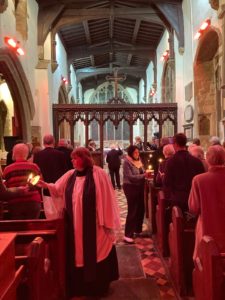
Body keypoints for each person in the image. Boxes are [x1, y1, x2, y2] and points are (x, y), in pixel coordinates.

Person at [37, 147, 120, 298]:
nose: (72, 161)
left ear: (84, 159)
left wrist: (106, 221)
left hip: (94, 226)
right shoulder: (70, 175)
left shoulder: (99, 174)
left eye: (75, 158)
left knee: (95, 252)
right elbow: (57, 189)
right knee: (78, 255)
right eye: (72, 159)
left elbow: (108, 197)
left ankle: (97, 287)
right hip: (75, 226)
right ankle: (79, 287)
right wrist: (45, 185)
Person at [189, 145, 225, 259]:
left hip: (207, 229)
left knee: (207, 266)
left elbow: (193, 208)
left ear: (208, 159)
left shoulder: (199, 180)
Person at [163, 133, 205, 213]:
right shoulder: (197, 161)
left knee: (176, 222)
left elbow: (167, 182)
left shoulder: (171, 162)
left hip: (177, 200)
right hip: (194, 199)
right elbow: (201, 181)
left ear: (175, 144)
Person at [3, 143, 42, 219]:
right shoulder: (34, 167)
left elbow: (6, 187)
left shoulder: (7, 169)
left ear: (13, 154)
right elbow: (40, 183)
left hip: (15, 202)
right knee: (33, 227)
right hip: (33, 201)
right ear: (27, 154)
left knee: (18, 227)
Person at [123, 145, 149, 243]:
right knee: (132, 210)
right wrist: (144, 175)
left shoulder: (138, 160)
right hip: (130, 187)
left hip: (139, 186)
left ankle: (137, 230)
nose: (137, 154)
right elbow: (130, 177)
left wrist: (146, 172)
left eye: (138, 152)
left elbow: (142, 170)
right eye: (135, 153)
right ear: (130, 153)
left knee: (140, 209)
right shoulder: (127, 162)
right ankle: (127, 234)